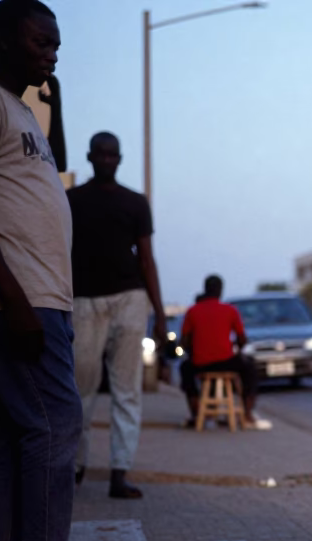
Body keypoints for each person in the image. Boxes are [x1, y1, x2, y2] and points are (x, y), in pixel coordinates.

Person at [0, 0, 119, 541]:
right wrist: (16, 303)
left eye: (56, 44)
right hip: (17, 300)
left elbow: (47, 175)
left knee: (14, 433)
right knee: (58, 427)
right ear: (1, 37)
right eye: (40, 42)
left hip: (36, 297)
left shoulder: (21, 110)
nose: (51, 52)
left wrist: (55, 96)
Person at [68, 132, 163, 499]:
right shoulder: (71, 200)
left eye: (112, 155)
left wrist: (160, 313)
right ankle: (74, 467)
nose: (107, 160)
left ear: (120, 159)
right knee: (81, 389)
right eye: (101, 154)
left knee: (127, 390)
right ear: (90, 157)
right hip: (84, 301)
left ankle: (119, 471)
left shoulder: (135, 203)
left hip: (129, 298)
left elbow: (147, 257)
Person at [178, 275, 269, 429]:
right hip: (226, 362)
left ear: (205, 289)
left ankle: (196, 414)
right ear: (220, 291)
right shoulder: (230, 310)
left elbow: (184, 342)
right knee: (250, 367)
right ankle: (247, 414)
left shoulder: (192, 311)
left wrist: (196, 352)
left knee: (185, 368)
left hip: (200, 364)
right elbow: (242, 340)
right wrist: (236, 350)